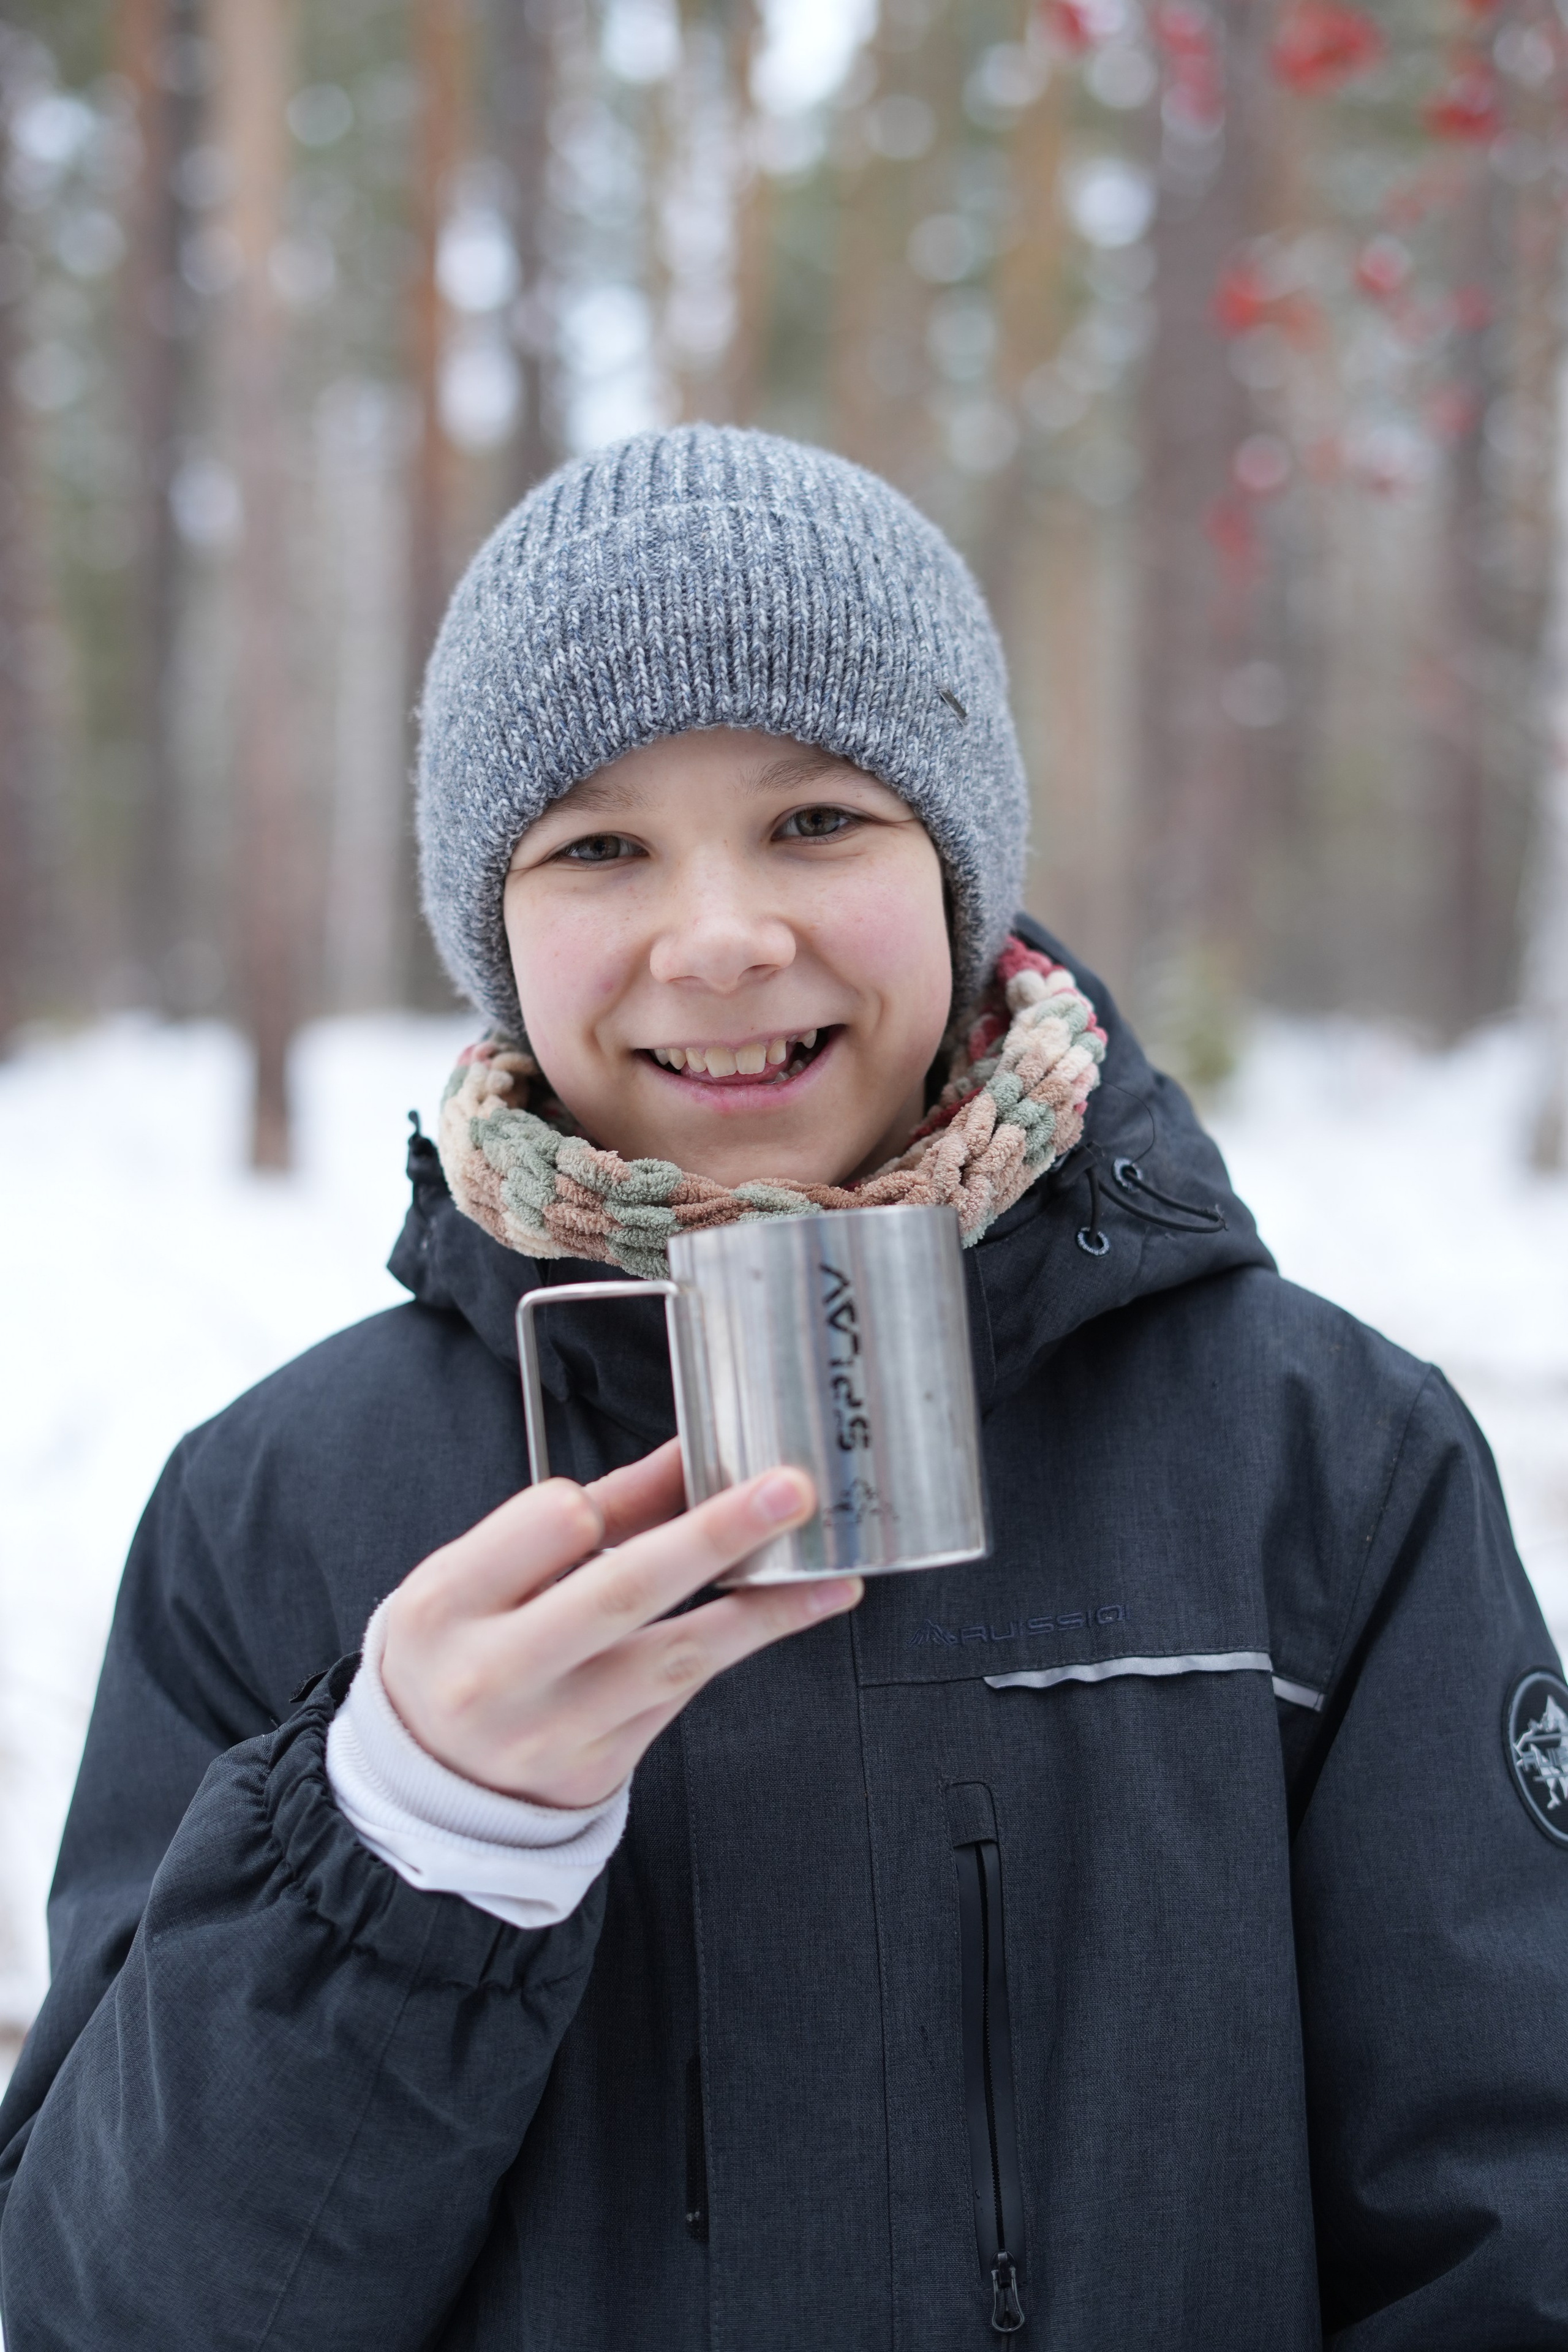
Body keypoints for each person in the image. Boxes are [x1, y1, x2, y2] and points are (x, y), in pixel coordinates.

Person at [1, 424, 1565, 2351]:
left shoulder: (1322, 1467)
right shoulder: (283, 1511)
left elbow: (1514, 2236)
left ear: (962, 865)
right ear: (492, 929)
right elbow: (109, 2309)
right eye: (597, 845)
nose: (723, 932)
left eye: (818, 819)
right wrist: (409, 1839)